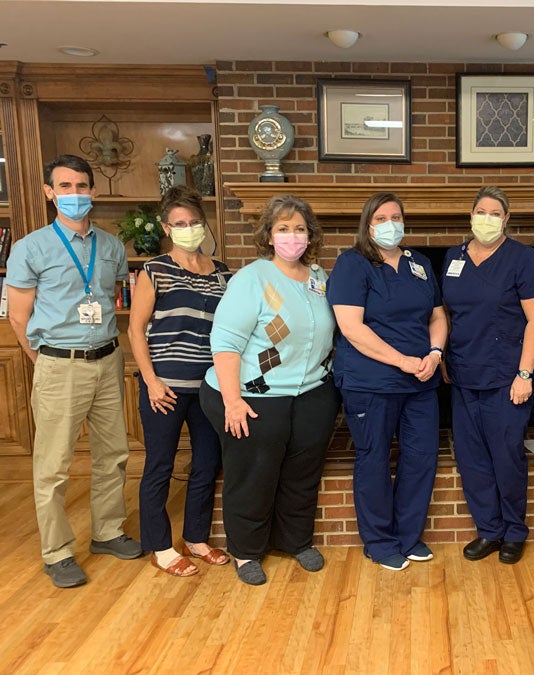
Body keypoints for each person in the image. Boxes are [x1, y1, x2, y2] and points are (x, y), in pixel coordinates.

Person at [6, 154, 142, 588]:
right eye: (65, 187)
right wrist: (44, 362)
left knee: (113, 454)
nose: (75, 194)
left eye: (82, 186)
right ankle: (58, 552)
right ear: (50, 193)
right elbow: (18, 317)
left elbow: (114, 296)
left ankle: (107, 531)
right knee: (54, 464)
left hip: (107, 359)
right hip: (59, 362)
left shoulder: (112, 245)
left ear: (93, 192)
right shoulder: (31, 247)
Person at [199, 195, 340, 586]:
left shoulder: (318, 278)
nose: (292, 236)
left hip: (310, 392)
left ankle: (296, 541)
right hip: (252, 395)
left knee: (301, 473)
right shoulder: (253, 278)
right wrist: (233, 402)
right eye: (283, 229)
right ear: (268, 235)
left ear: (310, 235)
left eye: (299, 229)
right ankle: (246, 551)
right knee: (254, 475)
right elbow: (225, 344)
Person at [327, 192, 447, 572]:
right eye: (381, 217)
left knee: (421, 458)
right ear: (368, 224)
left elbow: (438, 316)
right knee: (374, 459)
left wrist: (434, 353)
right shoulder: (352, 264)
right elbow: (351, 327)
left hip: (421, 380)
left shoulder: (420, 264)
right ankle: (379, 542)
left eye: (396, 216)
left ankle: (409, 537)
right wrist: (402, 361)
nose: (390, 223)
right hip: (371, 381)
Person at [441, 186, 534, 565]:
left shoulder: (522, 258)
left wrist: (525, 373)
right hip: (463, 374)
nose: (486, 218)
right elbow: (447, 313)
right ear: (470, 215)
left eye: (495, 213)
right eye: (480, 211)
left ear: (506, 219)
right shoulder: (454, 258)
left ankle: (514, 531)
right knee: (472, 459)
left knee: (506, 457)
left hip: (506, 376)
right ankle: (488, 529)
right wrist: (441, 356)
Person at [127, 186, 232, 578]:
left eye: (194, 223)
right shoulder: (154, 270)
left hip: (208, 386)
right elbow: (137, 330)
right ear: (167, 228)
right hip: (165, 387)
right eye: (180, 224)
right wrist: (151, 381)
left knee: (207, 462)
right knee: (160, 464)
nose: (188, 229)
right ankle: (159, 545)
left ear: (205, 226)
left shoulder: (223, 272)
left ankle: (196, 537)